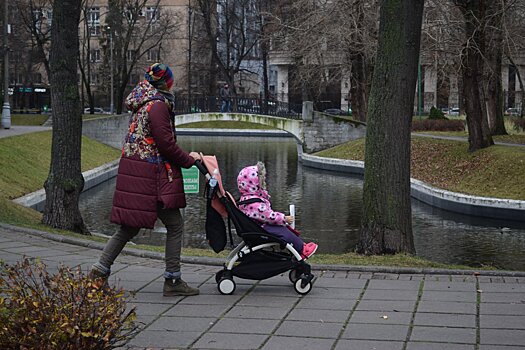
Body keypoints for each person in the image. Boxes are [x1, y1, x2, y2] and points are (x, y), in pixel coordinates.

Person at [89, 63, 201, 296]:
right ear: (165, 83)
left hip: (137, 173)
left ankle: (98, 273)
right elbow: (166, 145)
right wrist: (190, 161)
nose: (173, 84)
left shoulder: (142, 103)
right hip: (151, 175)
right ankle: (172, 281)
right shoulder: (158, 106)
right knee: (175, 224)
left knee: (129, 227)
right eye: (171, 81)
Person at [236, 161, 318, 259]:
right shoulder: (254, 204)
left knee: (285, 230)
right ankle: (302, 250)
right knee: (284, 232)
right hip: (262, 229)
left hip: (258, 227)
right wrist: (284, 218)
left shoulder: (246, 199)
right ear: (255, 184)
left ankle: (301, 246)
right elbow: (269, 216)